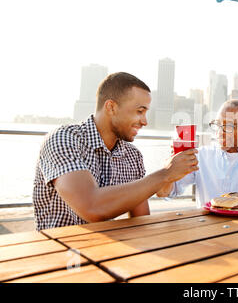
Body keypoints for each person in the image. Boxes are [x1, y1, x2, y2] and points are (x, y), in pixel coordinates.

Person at [33, 72, 198, 230]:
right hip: (58, 252)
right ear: (111, 107)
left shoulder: (132, 156)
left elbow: (141, 221)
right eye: (139, 111)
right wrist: (165, 174)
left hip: (108, 252)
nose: (145, 121)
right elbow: (92, 208)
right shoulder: (63, 139)